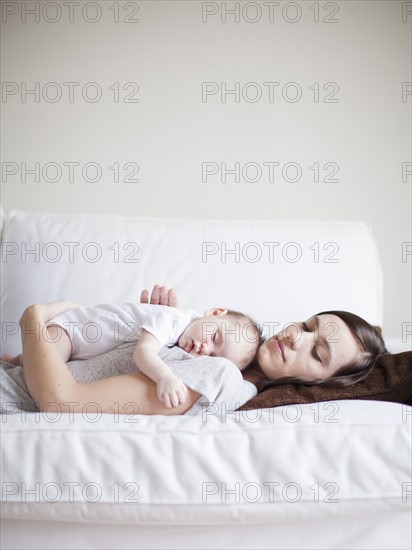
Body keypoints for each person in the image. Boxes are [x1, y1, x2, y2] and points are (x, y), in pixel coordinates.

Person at [1, 285, 388, 416]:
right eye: (307, 326)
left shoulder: (222, 378)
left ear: (321, 385)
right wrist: (157, 329)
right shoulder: (218, 354)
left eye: (317, 353)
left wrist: (33, 320)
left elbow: (61, 402)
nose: (294, 338)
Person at [3, 300, 261, 408]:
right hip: (71, 330)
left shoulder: (185, 337)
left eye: (214, 356)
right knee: (36, 372)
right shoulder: (173, 319)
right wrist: (165, 377)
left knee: (27, 365)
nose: (205, 349)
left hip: (81, 346)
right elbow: (143, 353)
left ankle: (9, 361)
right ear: (215, 312)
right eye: (214, 337)